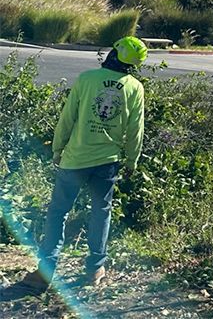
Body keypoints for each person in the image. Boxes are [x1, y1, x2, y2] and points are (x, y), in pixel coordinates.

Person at [3, 36, 147, 299]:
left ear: (114, 53)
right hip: (108, 163)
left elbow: (67, 117)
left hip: (75, 159)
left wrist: (57, 148)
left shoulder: (87, 79)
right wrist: (131, 160)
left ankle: (45, 272)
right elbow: (136, 129)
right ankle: (95, 269)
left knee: (58, 213)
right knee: (101, 212)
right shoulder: (135, 88)